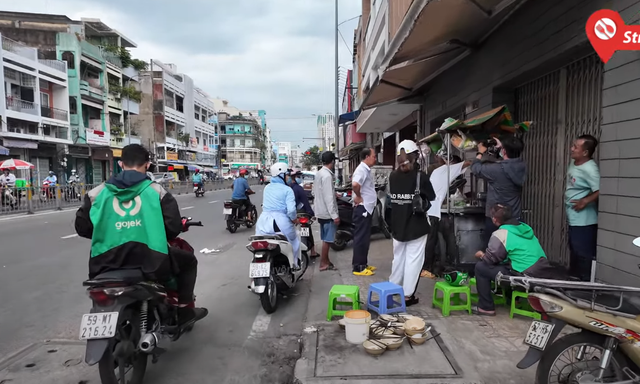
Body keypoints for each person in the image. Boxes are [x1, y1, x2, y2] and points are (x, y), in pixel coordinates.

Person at [74, 144, 207, 326]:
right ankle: (184, 311)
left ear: (121, 164)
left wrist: (112, 231)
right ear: (147, 165)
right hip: (152, 262)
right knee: (189, 261)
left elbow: (83, 228)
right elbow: (173, 228)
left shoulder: (96, 194)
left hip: (104, 263)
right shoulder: (157, 192)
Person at [472, 204, 560, 316]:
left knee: (481, 267)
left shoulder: (501, 234)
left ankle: (486, 307)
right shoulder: (525, 228)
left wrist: (481, 255)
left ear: (494, 219)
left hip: (526, 275)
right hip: (543, 270)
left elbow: (490, 260)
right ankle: (513, 299)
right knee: (509, 264)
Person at [388, 140, 436, 306]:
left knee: (398, 260)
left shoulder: (392, 176)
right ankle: (407, 296)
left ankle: (391, 290)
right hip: (416, 227)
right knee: (413, 261)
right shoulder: (420, 177)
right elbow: (432, 196)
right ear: (415, 156)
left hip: (397, 226)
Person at [421, 151, 471, 278]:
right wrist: (482, 155)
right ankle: (426, 268)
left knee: (434, 241)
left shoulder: (438, 171)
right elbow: (468, 163)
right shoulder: (449, 169)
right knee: (431, 241)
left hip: (431, 210)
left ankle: (435, 267)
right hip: (432, 211)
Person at [470, 136, 526, 245]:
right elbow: (508, 163)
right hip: (515, 217)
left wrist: (480, 152)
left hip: (497, 219)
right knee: (513, 249)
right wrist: (502, 148)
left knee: (494, 251)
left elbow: (475, 168)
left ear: (504, 151)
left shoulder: (497, 170)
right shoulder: (522, 166)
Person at [566, 134, 600, 282]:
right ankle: (574, 281)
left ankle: (585, 285)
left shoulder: (590, 169)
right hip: (574, 218)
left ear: (585, 152)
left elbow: (601, 189)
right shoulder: (575, 162)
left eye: (575, 147)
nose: (571, 149)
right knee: (574, 250)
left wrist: (585, 201)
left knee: (583, 254)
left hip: (585, 220)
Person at [255, 162, 301, 267]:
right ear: (281, 175)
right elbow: (291, 211)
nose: (289, 178)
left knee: (260, 245)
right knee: (294, 241)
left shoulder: (267, 188)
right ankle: (294, 265)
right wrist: (295, 220)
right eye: (287, 175)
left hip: (263, 222)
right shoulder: (288, 190)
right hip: (281, 223)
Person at [351, 147, 378, 276]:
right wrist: (358, 196)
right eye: (374, 156)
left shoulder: (366, 170)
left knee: (365, 237)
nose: (375, 158)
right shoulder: (361, 170)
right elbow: (355, 184)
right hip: (363, 208)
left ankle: (363, 263)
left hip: (367, 208)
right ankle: (358, 267)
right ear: (367, 157)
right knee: (361, 238)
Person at [313, 151, 340, 272]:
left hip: (320, 211)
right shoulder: (327, 176)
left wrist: (334, 194)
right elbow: (328, 198)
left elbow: (316, 192)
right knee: (328, 240)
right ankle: (323, 263)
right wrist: (335, 215)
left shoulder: (319, 174)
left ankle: (327, 261)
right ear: (333, 161)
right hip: (327, 213)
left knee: (325, 238)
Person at [288, 167, 318, 257]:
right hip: (302, 214)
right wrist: (311, 213)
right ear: (294, 177)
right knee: (308, 231)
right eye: (298, 176)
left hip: (291, 216)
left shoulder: (287, 189)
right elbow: (305, 202)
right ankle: (313, 251)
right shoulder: (298, 189)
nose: (299, 178)